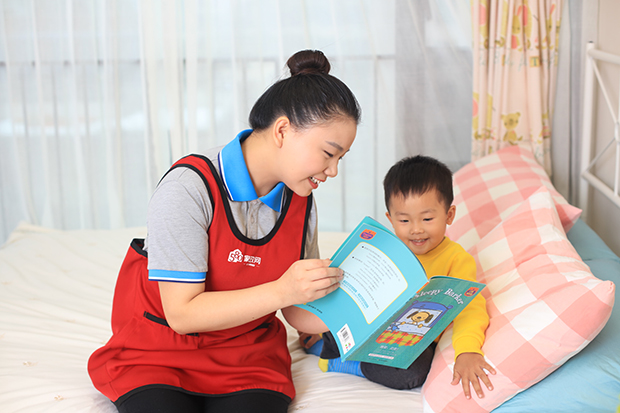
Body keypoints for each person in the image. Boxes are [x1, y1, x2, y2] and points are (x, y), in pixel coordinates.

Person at [88, 49, 361, 413]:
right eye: (328, 153)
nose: (333, 171)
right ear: (282, 130)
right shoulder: (189, 187)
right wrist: (283, 289)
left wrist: (368, 316)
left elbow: (296, 309)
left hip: (248, 358)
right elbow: (182, 315)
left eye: (340, 158)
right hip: (158, 354)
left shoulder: (300, 200)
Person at [303, 155, 495, 400]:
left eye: (427, 219)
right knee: (336, 302)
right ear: (390, 219)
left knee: (414, 374)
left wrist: (467, 350)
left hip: (409, 340)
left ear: (449, 215)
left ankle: (347, 363)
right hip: (368, 326)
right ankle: (327, 344)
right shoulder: (384, 249)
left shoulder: (457, 260)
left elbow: (470, 310)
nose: (416, 229)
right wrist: (319, 324)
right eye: (404, 220)